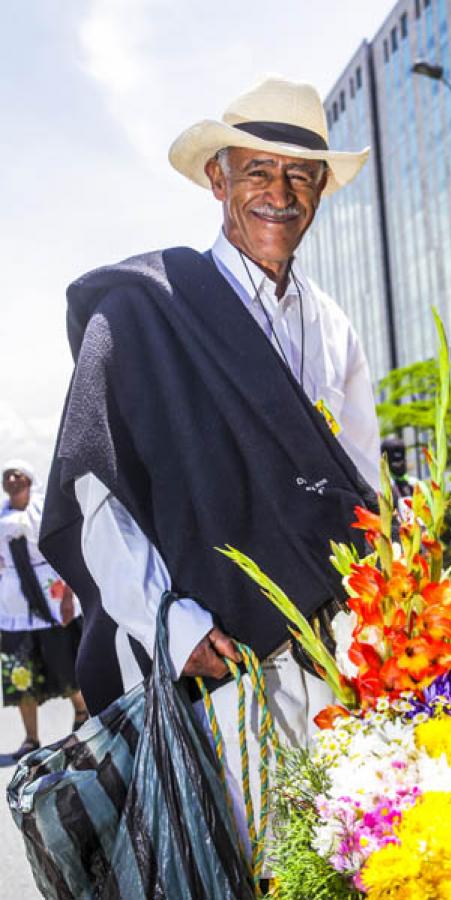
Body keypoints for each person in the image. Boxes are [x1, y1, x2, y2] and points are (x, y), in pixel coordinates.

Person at [40, 76, 380, 854]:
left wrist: (373, 617)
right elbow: (98, 495)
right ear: (216, 178)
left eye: (301, 174)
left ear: (322, 189)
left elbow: (362, 489)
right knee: (224, 854)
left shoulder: (332, 327)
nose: (279, 192)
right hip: (203, 657)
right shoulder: (144, 308)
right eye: (257, 170)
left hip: (323, 654)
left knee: (329, 854)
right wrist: (172, 623)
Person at [0, 460, 87, 759]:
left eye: (18, 473)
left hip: (51, 600)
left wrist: (67, 596)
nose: (12, 478)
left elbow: (65, 552)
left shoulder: (43, 512)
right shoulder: (0, 517)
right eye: (7, 475)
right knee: (20, 672)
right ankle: (31, 739)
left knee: (65, 665)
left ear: (29, 479)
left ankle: (82, 714)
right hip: (15, 610)